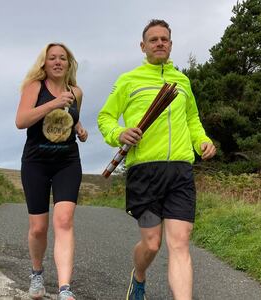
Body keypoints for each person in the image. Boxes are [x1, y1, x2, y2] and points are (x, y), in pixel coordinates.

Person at [98, 19, 216, 300]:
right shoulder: (129, 80)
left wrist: (203, 142)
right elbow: (105, 118)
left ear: (171, 45)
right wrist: (119, 133)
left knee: (180, 244)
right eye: (154, 39)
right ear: (143, 46)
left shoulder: (182, 82)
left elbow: (192, 120)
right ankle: (138, 276)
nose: (160, 43)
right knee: (151, 244)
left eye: (164, 39)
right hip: (145, 171)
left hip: (180, 171)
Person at [15, 42, 88, 300]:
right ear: (44, 64)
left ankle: (64, 288)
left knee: (64, 221)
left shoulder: (76, 91)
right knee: (38, 228)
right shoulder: (34, 87)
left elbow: (72, 116)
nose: (58, 62)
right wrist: (54, 103)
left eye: (63, 58)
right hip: (35, 162)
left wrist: (79, 128)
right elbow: (21, 121)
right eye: (52, 58)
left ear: (69, 64)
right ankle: (37, 274)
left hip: (67, 162)